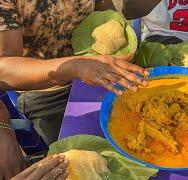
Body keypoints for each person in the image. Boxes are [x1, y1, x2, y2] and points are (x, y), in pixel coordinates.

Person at [0, 0, 149, 179]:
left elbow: (105, 14)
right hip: (49, 93)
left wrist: (118, 46)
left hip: (101, 75)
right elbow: (5, 69)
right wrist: (76, 67)